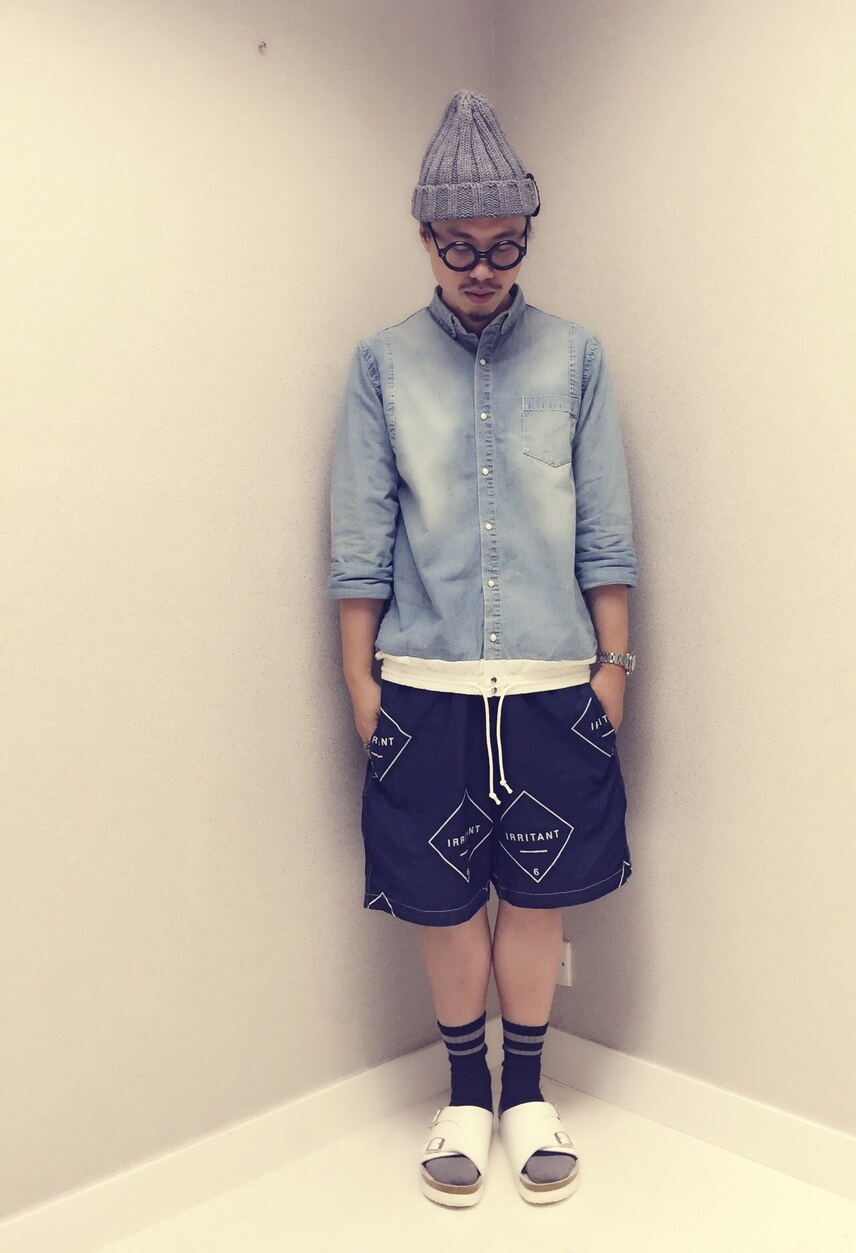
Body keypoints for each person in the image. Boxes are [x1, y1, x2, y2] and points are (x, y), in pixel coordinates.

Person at [328, 90, 638, 1208]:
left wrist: (613, 670)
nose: (482, 268)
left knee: (539, 898)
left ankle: (528, 1099)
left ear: (527, 237)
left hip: (556, 681)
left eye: (504, 246)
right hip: (424, 685)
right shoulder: (381, 365)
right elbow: (361, 540)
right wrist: (360, 683)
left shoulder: (575, 356)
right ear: (424, 237)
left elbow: (606, 530)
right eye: (459, 246)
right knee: (444, 901)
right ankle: (466, 1094)